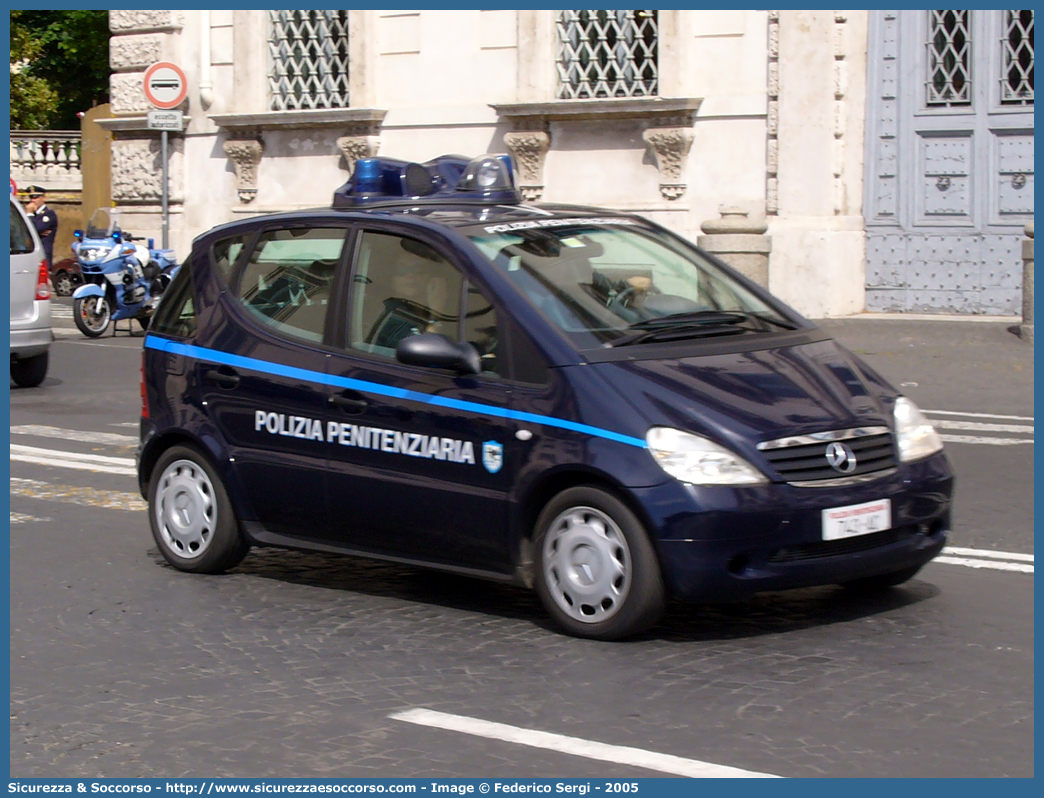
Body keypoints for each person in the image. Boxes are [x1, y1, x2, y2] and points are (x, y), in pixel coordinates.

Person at [25, 186, 57, 267]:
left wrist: (29, 214)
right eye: (31, 197)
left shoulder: (48, 214)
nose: (32, 200)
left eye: (36, 197)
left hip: (43, 255)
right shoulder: (33, 215)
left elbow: (35, 229)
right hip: (30, 255)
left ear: (44, 198)